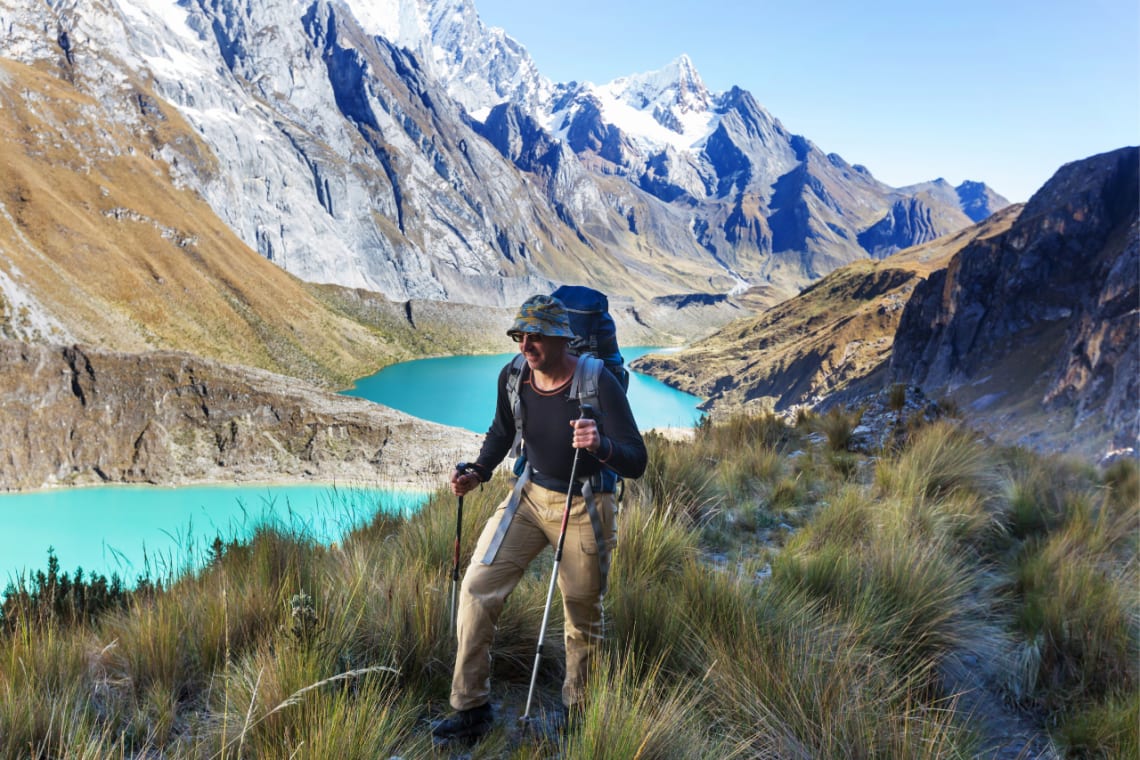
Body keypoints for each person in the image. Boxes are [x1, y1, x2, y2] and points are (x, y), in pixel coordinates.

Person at [433, 294, 648, 740]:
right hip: (528, 497)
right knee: (477, 587)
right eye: (520, 336)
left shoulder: (598, 382)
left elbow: (636, 460)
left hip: (585, 503)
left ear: (562, 339)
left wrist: (599, 445)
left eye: (535, 336)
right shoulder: (514, 376)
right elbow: (502, 431)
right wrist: (478, 471)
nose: (526, 345)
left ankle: (579, 713)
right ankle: (471, 707)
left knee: (582, 614)